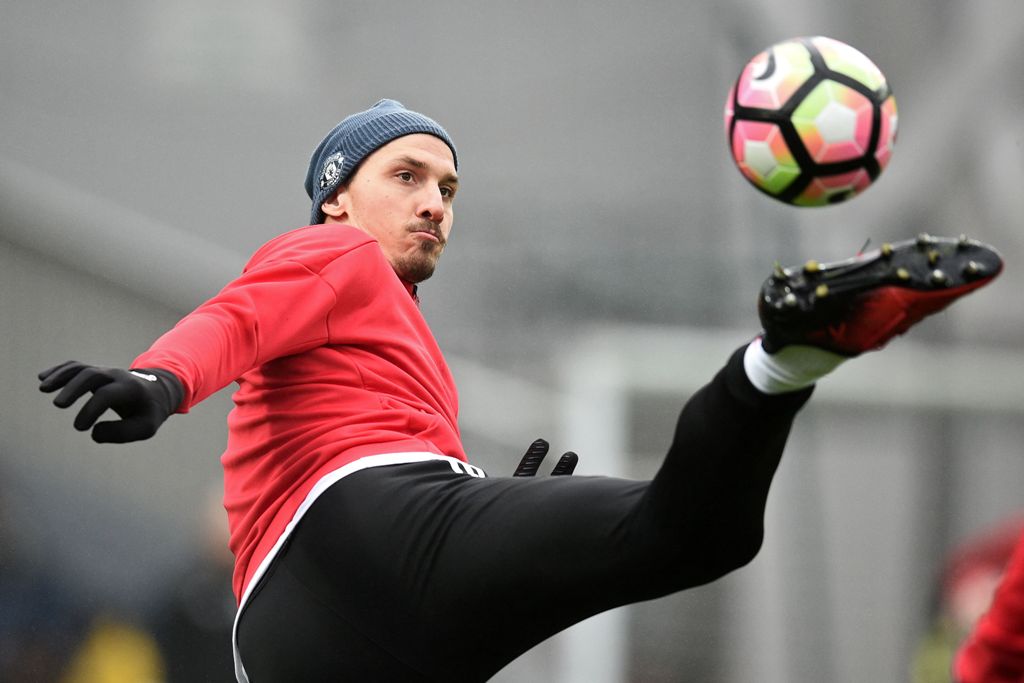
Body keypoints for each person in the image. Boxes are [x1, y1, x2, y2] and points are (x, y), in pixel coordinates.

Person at [37, 99, 1003, 682]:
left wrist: (479, 490)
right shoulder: (335, 253)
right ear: (336, 194)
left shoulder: (394, 338)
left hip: (301, 643)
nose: (434, 203)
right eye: (407, 174)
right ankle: (785, 359)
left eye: (449, 189)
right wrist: (162, 378)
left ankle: (787, 357)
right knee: (696, 530)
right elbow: (241, 317)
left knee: (704, 532)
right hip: (344, 543)